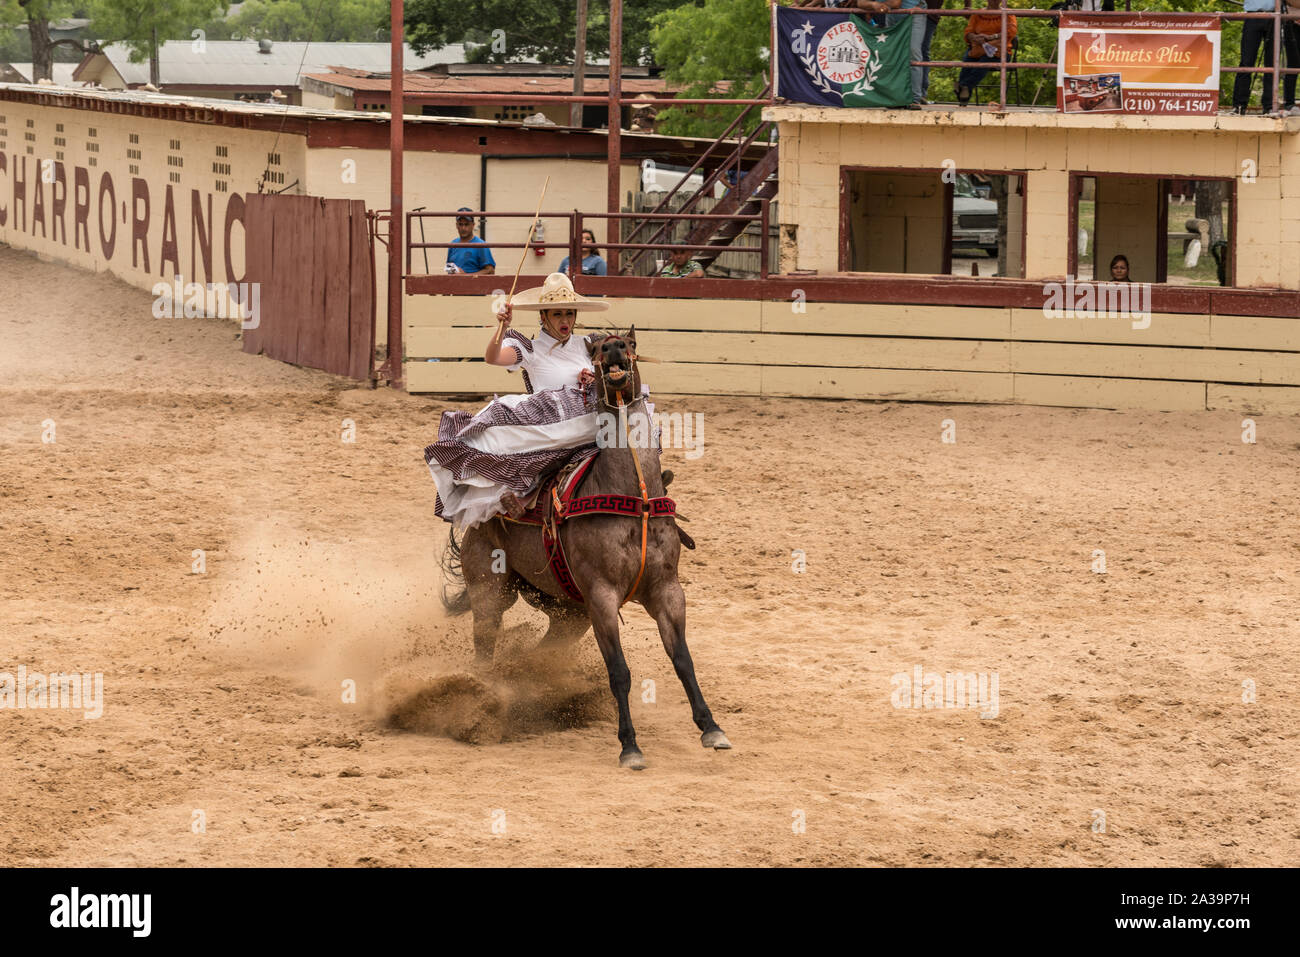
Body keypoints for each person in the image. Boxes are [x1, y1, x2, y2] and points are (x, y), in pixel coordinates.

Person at [424, 273, 608, 528]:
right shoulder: (531, 349)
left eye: (570, 313)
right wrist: (501, 327)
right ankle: (520, 496)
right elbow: (493, 357)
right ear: (543, 316)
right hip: (549, 426)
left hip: (588, 420)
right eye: (557, 314)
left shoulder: (587, 345)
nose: (565, 320)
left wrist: (594, 378)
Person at [1232, 0, 1300, 115]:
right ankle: (1239, 105)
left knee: (1272, 64)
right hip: (1253, 15)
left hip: (1274, 17)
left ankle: (1269, 106)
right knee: (1246, 62)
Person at [860, 0, 928, 107]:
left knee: (913, 51)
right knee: (893, 53)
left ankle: (914, 98)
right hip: (891, 13)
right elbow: (860, 3)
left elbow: (896, 2)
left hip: (913, 11)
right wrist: (874, 4)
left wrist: (876, 5)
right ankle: (896, 97)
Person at [954, 0, 1017, 107]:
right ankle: (963, 95)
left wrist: (991, 37)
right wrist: (975, 37)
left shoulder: (1008, 13)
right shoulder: (978, 14)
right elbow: (968, 32)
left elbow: (1011, 31)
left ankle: (963, 87)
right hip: (978, 47)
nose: (994, 1)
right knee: (968, 60)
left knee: (984, 61)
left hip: (999, 51)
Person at [445, 207, 496, 275]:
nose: (463, 228)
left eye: (466, 224)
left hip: (474, 285)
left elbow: (490, 271)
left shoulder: (480, 245)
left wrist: (466, 276)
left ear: (473, 225)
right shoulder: (453, 245)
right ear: (456, 225)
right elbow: (449, 268)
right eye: (460, 224)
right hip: (455, 284)